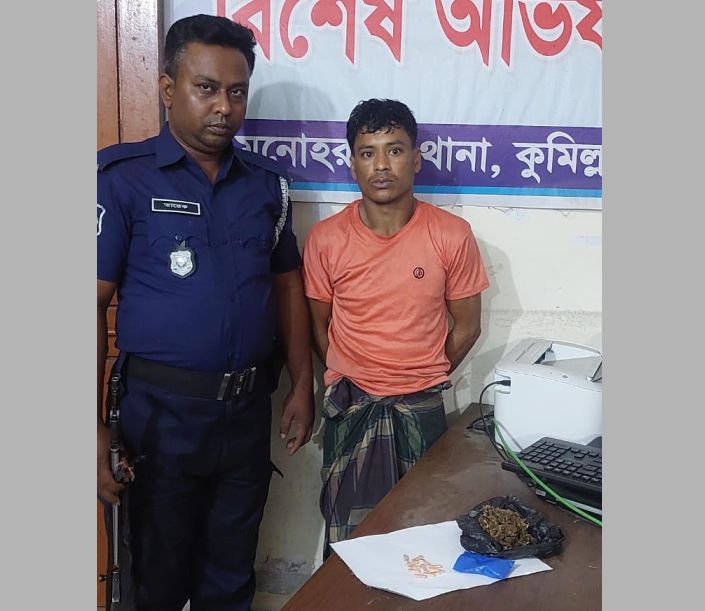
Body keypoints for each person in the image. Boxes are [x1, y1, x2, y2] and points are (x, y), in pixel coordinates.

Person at [97, 14, 314, 611]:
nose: (224, 106)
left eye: (237, 91)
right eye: (207, 88)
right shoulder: (123, 179)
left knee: (231, 579)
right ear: (169, 89)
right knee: (155, 584)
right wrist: (89, 430)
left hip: (245, 413)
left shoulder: (266, 186)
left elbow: (288, 288)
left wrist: (302, 383)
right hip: (159, 419)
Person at [302, 98, 489, 557]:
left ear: (416, 159)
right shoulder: (326, 239)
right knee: (350, 546)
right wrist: (356, 376)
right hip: (352, 409)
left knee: (424, 540)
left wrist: (417, 376)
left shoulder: (451, 234)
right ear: (352, 163)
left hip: (421, 409)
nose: (382, 165)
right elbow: (318, 327)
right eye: (368, 152)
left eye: (395, 150)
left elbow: (467, 327)